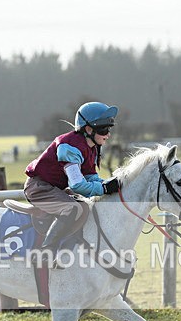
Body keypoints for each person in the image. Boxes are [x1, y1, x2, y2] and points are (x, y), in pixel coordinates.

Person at [24, 101, 121, 259]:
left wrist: (107, 184)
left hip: (53, 188)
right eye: (104, 129)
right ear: (88, 129)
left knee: (84, 207)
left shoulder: (90, 147)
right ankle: (45, 252)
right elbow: (77, 184)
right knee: (73, 209)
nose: (108, 135)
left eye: (109, 129)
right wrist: (103, 189)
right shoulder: (69, 146)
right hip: (39, 188)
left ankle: (68, 250)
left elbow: (90, 177)